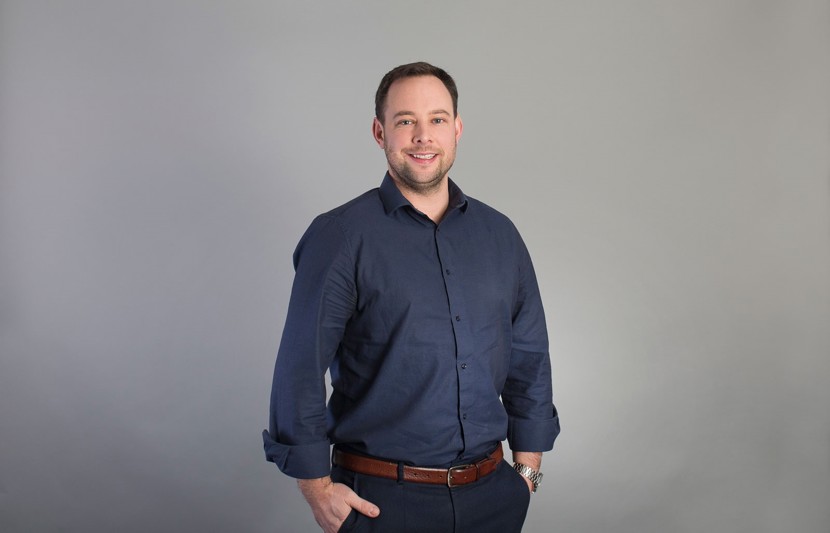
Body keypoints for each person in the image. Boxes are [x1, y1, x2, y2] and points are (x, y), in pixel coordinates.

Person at [263, 61, 559, 532]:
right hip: (382, 504)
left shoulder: (500, 236)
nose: (423, 136)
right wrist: (317, 490)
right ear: (380, 132)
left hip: (493, 499)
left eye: (437, 119)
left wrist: (526, 477)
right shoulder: (340, 237)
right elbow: (299, 370)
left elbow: (529, 359)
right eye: (406, 121)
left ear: (456, 129)